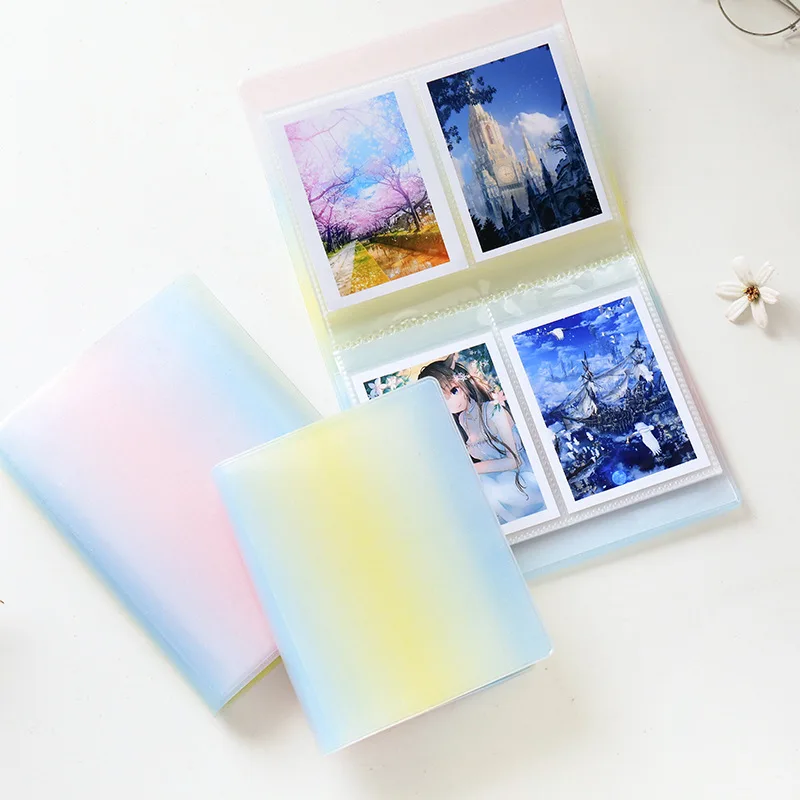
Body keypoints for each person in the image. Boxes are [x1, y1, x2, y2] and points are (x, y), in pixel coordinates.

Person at [418, 355, 545, 525]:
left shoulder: (493, 411)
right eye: (442, 400)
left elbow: (514, 461)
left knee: (485, 487)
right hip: (499, 480)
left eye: (454, 391)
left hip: (524, 479)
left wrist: (471, 469)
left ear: (463, 383)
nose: (452, 403)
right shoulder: (462, 419)